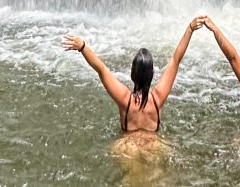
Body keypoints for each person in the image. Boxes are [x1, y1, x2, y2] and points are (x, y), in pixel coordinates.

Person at [61, 16, 205, 134]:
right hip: (154, 146)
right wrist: (190, 29)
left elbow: (101, 69)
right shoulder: (158, 99)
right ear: (151, 75)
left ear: (132, 74)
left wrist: (83, 47)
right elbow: (176, 59)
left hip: (128, 146)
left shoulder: (125, 100)